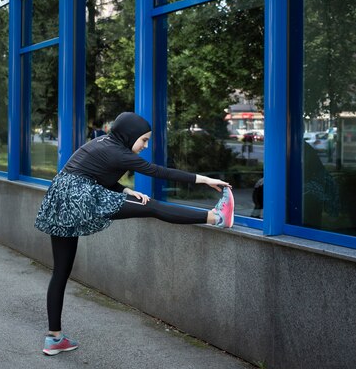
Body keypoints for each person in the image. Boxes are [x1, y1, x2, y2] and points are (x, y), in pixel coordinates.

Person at [35, 112, 235, 356]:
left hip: (60, 199)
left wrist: (126, 190)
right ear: (129, 136)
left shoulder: (102, 143)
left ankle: (54, 338)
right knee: (151, 207)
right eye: (144, 140)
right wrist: (205, 180)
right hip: (80, 198)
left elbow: (94, 173)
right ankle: (217, 217)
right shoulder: (119, 151)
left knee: (60, 271)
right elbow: (161, 172)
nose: (145, 145)